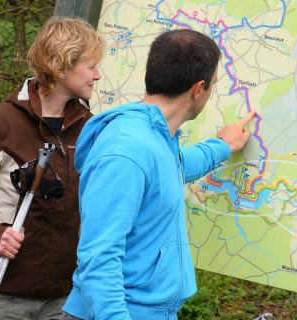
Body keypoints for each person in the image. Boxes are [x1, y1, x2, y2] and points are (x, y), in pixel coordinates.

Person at [61, 29, 255, 320]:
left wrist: (222, 146)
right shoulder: (125, 150)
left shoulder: (155, 136)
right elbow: (99, 258)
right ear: (198, 88)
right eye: (213, 85)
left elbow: (172, 167)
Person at [0, 17, 104, 319]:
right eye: (90, 65)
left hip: (64, 299)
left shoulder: (87, 127)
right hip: (0, 294)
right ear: (62, 64)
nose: (97, 75)